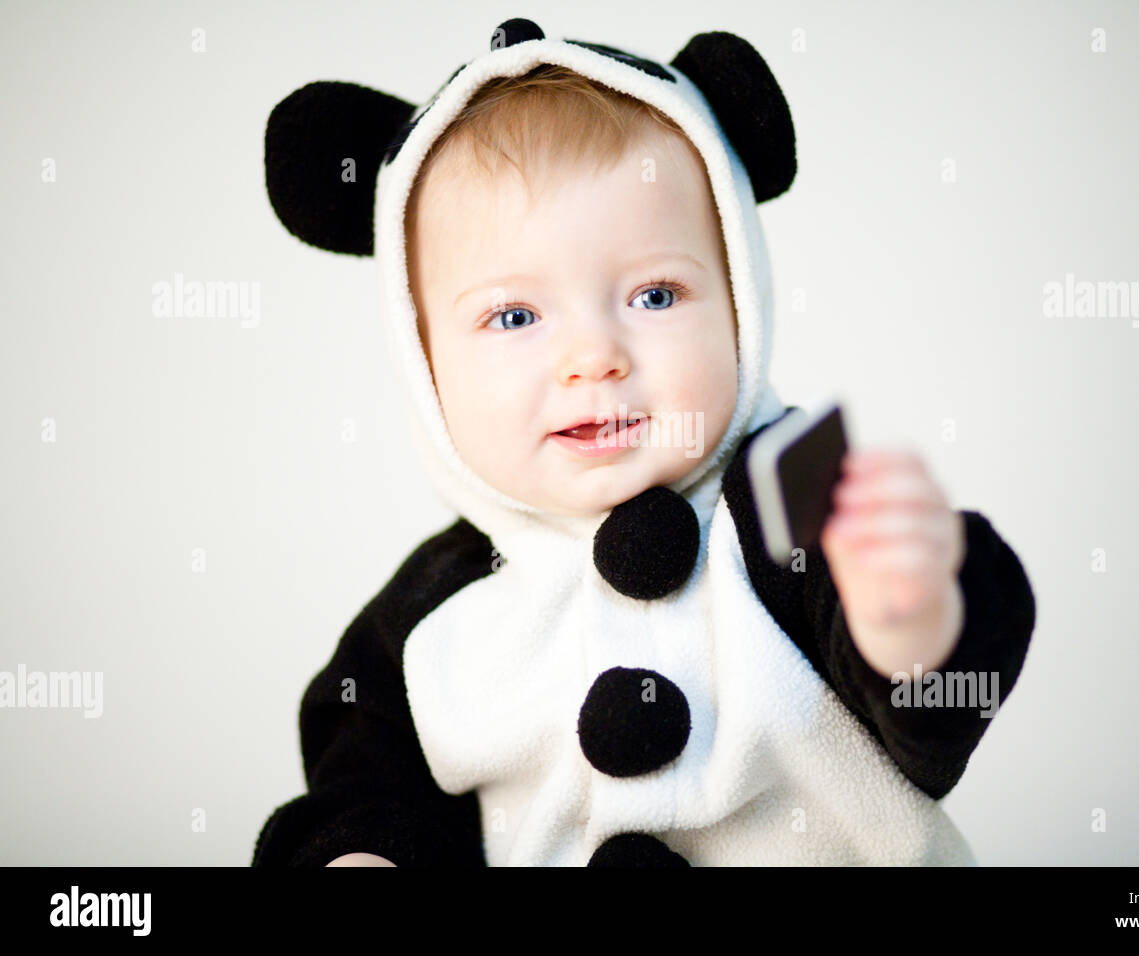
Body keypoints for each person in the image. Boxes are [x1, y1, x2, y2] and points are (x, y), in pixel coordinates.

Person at [252, 18, 1036, 867]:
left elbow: (942, 709)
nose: (594, 358)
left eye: (656, 296)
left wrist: (910, 621)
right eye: (515, 316)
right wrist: (362, 853)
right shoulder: (433, 618)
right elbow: (364, 784)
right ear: (424, 359)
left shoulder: (793, 494)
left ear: (740, 302)